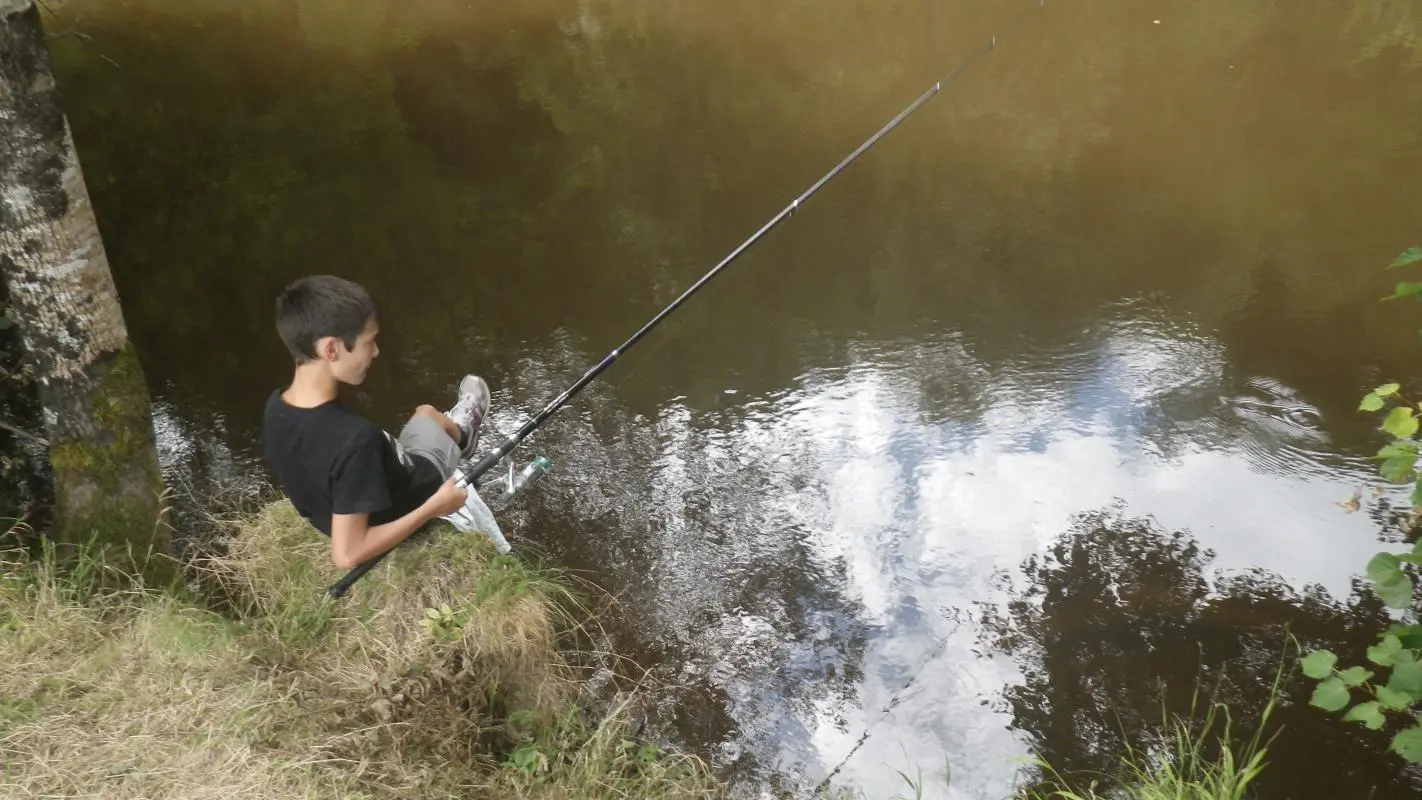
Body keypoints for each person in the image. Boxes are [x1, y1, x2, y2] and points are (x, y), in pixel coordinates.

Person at [260, 274, 491, 569]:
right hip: (416, 488)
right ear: (331, 349)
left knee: (418, 420)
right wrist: (435, 507)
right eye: (369, 342)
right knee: (426, 414)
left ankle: (456, 433)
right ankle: (462, 434)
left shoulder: (276, 406)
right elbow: (347, 555)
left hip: (344, 509)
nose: (377, 351)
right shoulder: (355, 440)